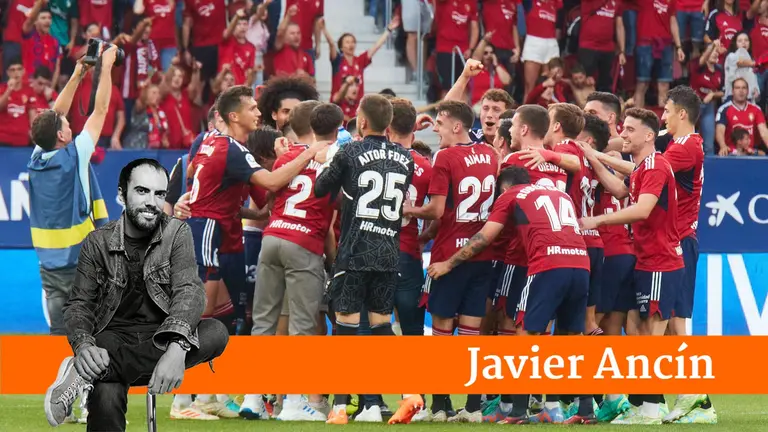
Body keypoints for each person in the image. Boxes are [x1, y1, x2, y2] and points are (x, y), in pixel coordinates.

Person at [43, 158, 230, 431]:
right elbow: (79, 305)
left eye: (159, 194)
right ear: (121, 194)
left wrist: (177, 348)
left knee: (216, 332)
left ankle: (82, 375)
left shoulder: (177, 232)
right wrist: (83, 346)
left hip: (163, 338)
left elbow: (189, 291)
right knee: (105, 385)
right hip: (113, 338)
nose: (152, 202)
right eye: (142, 191)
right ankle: (93, 369)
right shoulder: (97, 242)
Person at [427, 166, 594, 425]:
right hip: (581, 264)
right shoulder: (560, 195)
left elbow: (484, 236)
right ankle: (585, 410)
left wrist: (448, 264)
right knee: (574, 339)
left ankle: (517, 413)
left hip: (548, 264)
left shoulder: (511, 194)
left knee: (524, 336)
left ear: (504, 187)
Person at [580, 108, 684, 424]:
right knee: (638, 330)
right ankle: (644, 404)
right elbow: (624, 187)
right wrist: (596, 157)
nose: (622, 134)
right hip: (647, 260)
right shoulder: (644, 166)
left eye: (629, 130)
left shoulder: (654, 166)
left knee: (652, 336)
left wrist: (596, 219)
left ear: (649, 135)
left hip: (659, 262)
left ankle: (652, 409)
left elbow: (641, 209)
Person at [314, 94, 414, 424]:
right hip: (388, 252)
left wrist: (330, 160)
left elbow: (320, 188)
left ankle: (340, 407)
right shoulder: (406, 157)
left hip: (355, 252)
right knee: (383, 327)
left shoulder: (350, 151)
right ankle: (409, 391)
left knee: (345, 330)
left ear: (362, 122)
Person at [403, 100, 498, 423]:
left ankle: (441, 405)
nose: (436, 131)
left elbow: (438, 210)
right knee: (472, 335)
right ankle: (472, 408)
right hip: (482, 255)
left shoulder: (445, 156)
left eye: (440, 125)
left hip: (448, 257)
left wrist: (408, 210)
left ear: (456, 126)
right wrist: (425, 234)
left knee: (442, 333)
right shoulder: (490, 154)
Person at [250, 101, 340, 422]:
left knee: (263, 323)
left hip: (272, 238)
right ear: (336, 129)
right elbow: (329, 222)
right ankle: (292, 402)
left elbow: (270, 201)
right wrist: (332, 261)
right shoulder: (333, 162)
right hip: (304, 242)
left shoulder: (286, 156)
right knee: (303, 329)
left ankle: (253, 398)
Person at [27, 48, 117, 337]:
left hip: (49, 268)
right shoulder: (75, 156)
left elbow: (56, 114)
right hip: (82, 266)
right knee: (90, 338)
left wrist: (79, 74)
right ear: (61, 137)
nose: (69, 124)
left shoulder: (36, 160)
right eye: (66, 125)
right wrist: (105, 68)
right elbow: (100, 110)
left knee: (58, 339)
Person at [660, 87, 717, 424]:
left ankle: (693, 393)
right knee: (671, 324)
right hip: (676, 240)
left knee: (677, 324)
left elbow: (645, 174)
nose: (663, 115)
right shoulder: (679, 145)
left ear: (682, 113)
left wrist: (595, 156)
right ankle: (700, 402)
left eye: (667, 110)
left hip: (681, 241)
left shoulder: (686, 147)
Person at [386, 97, 431, 424]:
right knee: (413, 329)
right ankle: (417, 400)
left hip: (374, 251)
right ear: (414, 130)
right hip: (408, 253)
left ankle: (370, 400)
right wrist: (423, 236)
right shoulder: (425, 166)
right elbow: (442, 211)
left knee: (371, 327)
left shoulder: (370, 158)